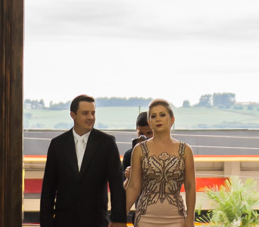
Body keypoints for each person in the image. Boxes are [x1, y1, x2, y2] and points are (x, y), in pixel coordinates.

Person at [40, 95, 126, 227]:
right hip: (63, 222)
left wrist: (119, 220)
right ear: (72, 115)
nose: (91, 117)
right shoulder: (57, 144)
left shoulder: (107, 143)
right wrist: (46, 222)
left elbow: (117, 184)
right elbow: (48, 187)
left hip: (97, 221)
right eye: (85, 113)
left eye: (93, 113)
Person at [126, 99, 196, 227]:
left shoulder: (185, 150)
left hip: (176, 219)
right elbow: (133, 187)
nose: (158, 119)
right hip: (145, 218)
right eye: (153, 116)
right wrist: (118, 217)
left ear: (172, 119)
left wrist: (190, 219)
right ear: (149, 122)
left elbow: (190, 186)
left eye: (162, 115)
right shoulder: (139, 150)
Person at [123, 111, 154, 176]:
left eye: (149, 133)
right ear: (136, 130)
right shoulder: (129, 155)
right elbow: (123, 184)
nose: (145, 137)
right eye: (141, 134)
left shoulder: (163, 152)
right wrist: (128, 176)